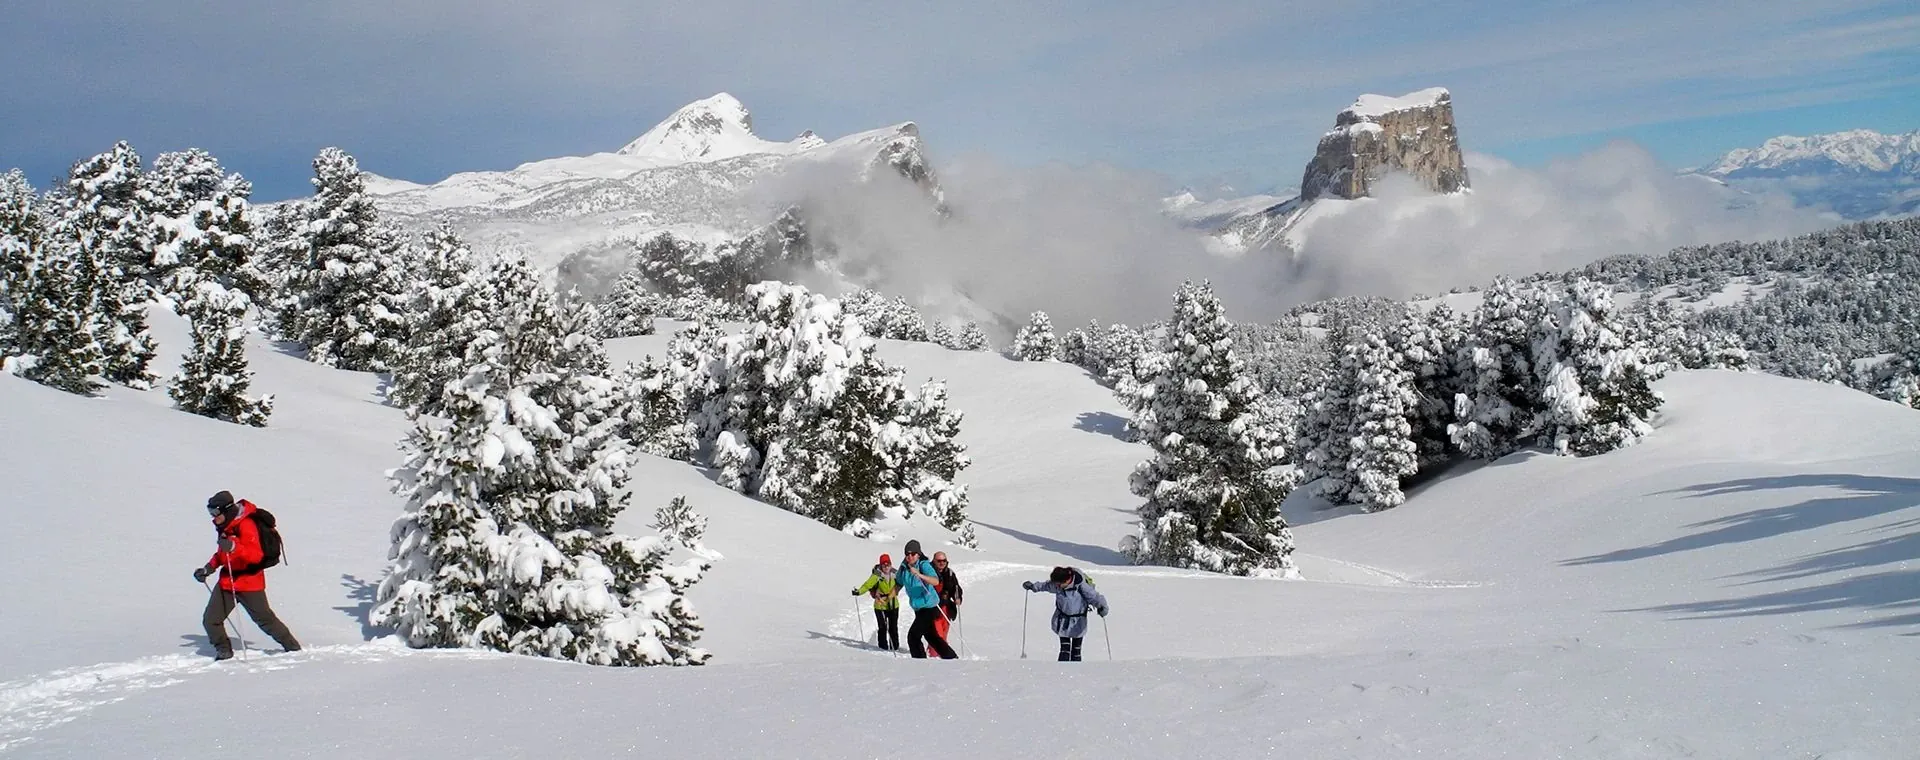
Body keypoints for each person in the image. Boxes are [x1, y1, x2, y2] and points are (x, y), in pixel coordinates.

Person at [193, 491, 301, 660]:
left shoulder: (246, 525)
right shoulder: (226, 526)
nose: (213, 517)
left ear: (226, 510)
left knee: (265, 620)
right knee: (211, 620)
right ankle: (224, 650)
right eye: (210, 512)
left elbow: (255, 555)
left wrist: (234, 547)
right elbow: (222, 554)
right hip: (227, 582)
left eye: (215, 512)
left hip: (250, 583)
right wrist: (208, 568)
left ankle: (293, 648)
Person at [1023, 566, 1108, 662]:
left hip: (1078, 622)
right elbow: (1046, 585)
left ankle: (1076, 673)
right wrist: (1033, 586)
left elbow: (1094, 597)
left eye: (1059, 584)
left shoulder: (1081, 586)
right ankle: (1062, 672)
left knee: (1076, 651)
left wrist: (1102, 607)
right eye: (1057, 584)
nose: (1058, 586)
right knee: (1064, 650)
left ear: (1067, 580)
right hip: (1062, 621)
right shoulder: (1058, 584)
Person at [894, 540, 957, 659]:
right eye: (907, 554)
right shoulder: (903, 568)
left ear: (918, 554)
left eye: (913, 554)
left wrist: (920, 575)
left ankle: (920, 662)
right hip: (918, 608)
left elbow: (935, 580)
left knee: (913, 636)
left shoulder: (923, 564)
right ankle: (951, 658)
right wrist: (890, 594)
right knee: (932, 637)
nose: (910, 557)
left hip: (929, 606)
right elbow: (898, 583)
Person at [851, 553, 901, 650]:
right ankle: (882, 648)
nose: (886, 567)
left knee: (893, 627)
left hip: (893, 604)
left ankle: (895, 648)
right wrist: (858, 592)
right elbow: (867, 585)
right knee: (882, 627)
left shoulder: (895, 573)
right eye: (884, 564)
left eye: (888, 564)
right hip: (880, 605)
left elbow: (902, 583)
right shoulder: (877, 575)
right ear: (881, 565)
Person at [931, 551, 963, 641]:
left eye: (944, 561)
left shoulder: (950, 573)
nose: (942, 563)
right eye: (939, 561)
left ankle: (939, 653)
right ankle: (934, 654)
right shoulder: (929, 572)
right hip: (934, 608)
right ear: (934, 561)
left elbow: (956, 588)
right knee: (938, 635)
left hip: (947, 608)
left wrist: (958, 597)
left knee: (944, 634)